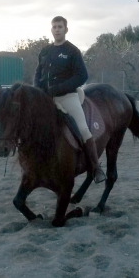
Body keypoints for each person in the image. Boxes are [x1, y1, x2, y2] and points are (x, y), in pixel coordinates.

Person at [34, 16, 105, 183]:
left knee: (83, 129)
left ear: (66, 29)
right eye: (54, 27)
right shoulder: (44, 51)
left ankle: (96, 168)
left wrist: (59, 88)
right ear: (51, 30)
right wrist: (38, 89)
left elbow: (82, 75)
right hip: (46, 98)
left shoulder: (72, 51)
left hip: (68, 97)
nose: (57, 29)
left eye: (60, 27)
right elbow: (38, 74)